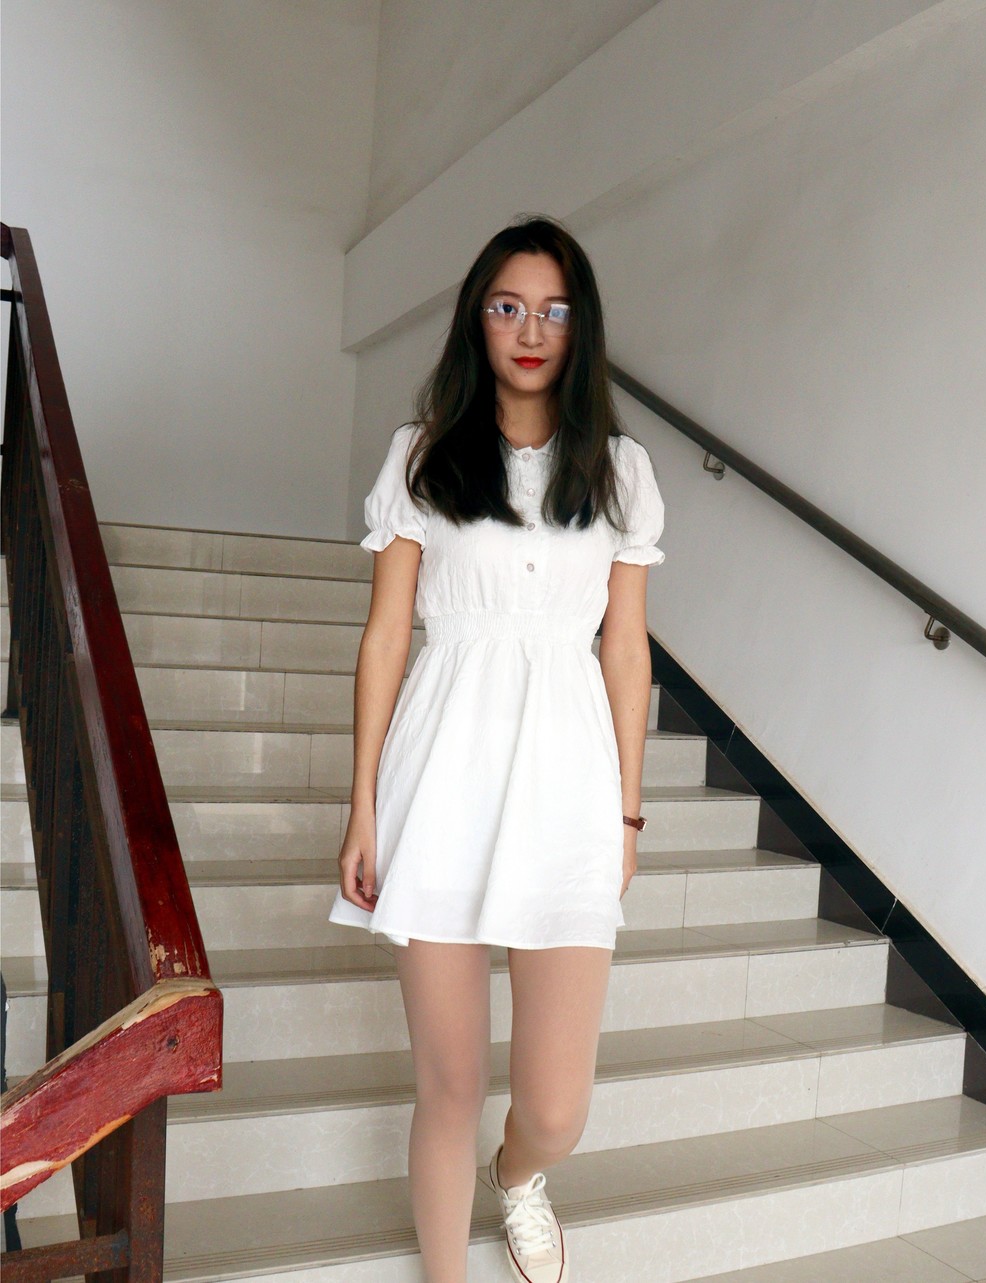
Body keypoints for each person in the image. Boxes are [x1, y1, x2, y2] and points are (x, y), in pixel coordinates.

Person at [329, 215, 665, 1283]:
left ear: (580, 328)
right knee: (450, 1084)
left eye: (553, 311)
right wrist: (362, 804)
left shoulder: (619, 470)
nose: (530, 330)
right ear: (477, 320)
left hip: (569, 783)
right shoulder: (422, 455)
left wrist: (626, 811)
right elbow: (387, 636)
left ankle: (518, 1174)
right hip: (440, 776)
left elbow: (624, 650)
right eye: (508, 306)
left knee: (556, 1107)